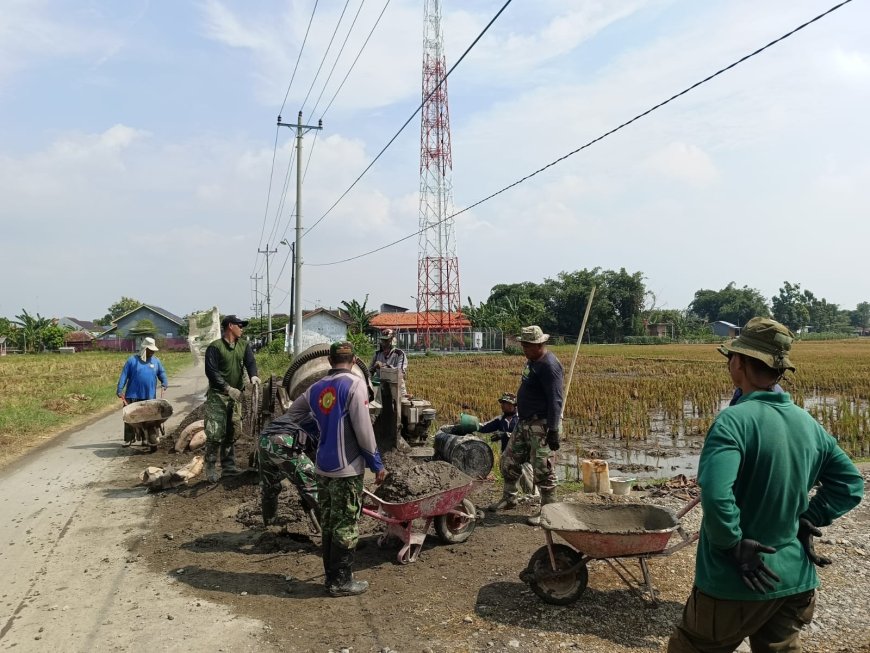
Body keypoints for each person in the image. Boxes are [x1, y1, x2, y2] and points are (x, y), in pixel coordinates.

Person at [668, 317, 864, 653]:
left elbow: (716, 494)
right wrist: (810, 516)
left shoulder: (733, 421)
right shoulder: (808, 423)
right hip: (794, 580)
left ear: (739, 362)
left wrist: (733, 544)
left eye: (732, 356)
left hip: (735, 583)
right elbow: (849, 484)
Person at [288, 341, 387, 597]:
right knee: (346, 523)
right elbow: (365, 432)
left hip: (322, 466)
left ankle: (332, 578)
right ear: (354, 361)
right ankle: (341, 582)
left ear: (330, 362)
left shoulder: (315, 387)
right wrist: (376, 464)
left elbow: (293, 414)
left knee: (330, 523)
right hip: (347, 468)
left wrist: (319, 430)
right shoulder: (356, 385)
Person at [489, 325, 564, 526]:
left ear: (539, 344)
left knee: (542, 469)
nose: (523, 348)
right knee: (509, 460)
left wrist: (554, 430)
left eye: (527, 345)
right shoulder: (532, 361)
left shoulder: (550, 366)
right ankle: (509, 497)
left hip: (542, 424)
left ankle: (548, 511)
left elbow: (556, 400)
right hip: (525, 422)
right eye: (523, 345)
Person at [203, 314, 260, 483]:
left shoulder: (243, 345)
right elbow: (211, 372)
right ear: (230, 326)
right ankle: (211, 465)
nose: (242, 328)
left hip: (236, 396)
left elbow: (250, 363)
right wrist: (227, 389)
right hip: (218, 395)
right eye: (239, 325)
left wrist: (254, 376)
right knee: (215, 432)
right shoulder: (215, 347)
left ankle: (228, 466)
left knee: (232, 430)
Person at [257, 412, 321, 532]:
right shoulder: (325, 422)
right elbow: (316, 458)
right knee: (314, 488)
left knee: (270, 486)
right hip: (283, 441)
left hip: (264, 440)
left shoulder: (307, 412)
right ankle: (333, 538)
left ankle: (270, 527)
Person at [479, 392, 538, 497]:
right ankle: (511, 498)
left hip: (524, 456)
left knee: (527, 478)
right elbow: (484, 427)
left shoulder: (522, 419)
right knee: (510, 478)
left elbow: (526, 435)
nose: (502, 406)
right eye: (502, 403)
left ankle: (534, 498)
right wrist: (470, 425)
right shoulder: (500, 419)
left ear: (513, 405)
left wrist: (505, 434)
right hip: (508, 456)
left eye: (505, 403)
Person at [116, 336, 168, 447]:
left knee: (149, 419)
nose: (152, 353)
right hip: (133, 395)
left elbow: (161, 373)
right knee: (131, 418)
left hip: (149, 396)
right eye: (150, 351)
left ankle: (147, 438)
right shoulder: (132, 361)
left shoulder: (156, 361)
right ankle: (129, 439)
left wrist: (164, 382)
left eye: (153, 351)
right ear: (144, 349)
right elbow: (124, 375)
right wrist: (120, 389)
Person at [369, 329, 408, 394]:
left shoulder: (400, 354)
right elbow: (369, 371)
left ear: (393, 341)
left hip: (396, 387)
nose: (384, 343)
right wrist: (373, 369)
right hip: (381, 387)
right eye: (383, 340)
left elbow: (400, 372)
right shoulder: (377, 354)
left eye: (387, 341)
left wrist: (384, 366)